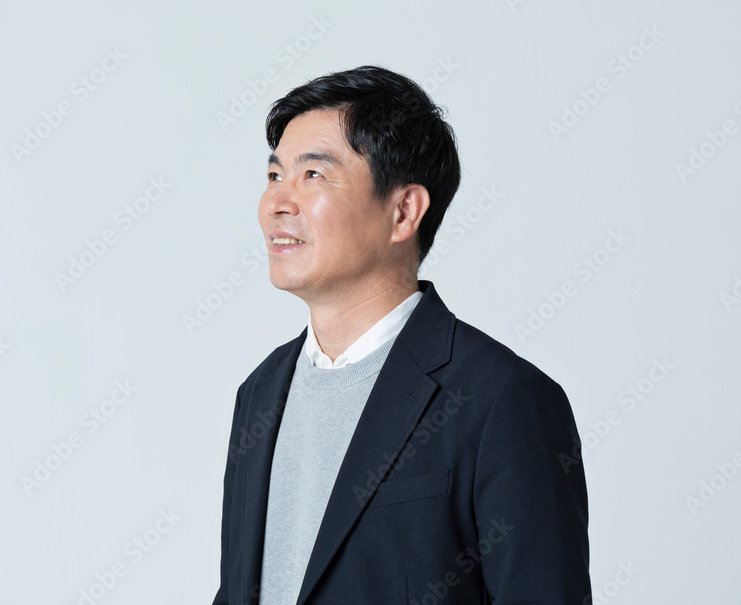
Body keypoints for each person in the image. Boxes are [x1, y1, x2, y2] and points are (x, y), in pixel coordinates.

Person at [212, 65, 591, 604]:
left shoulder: (502, 400)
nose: (276, 203)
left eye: (313, 174)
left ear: (404, 211)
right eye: (275, 176)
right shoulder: (259, 392)